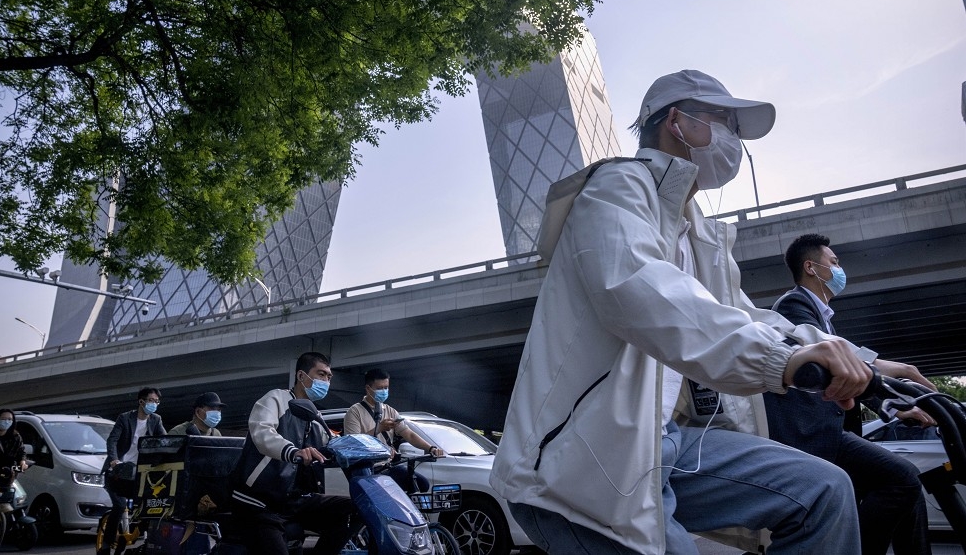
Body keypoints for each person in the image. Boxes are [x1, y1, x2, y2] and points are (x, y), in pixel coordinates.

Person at [490, 69, 899, 555]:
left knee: (823, 491)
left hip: (670, 443)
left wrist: (865, 361)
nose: (735, 140)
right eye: (724, 120)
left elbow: (747, 318)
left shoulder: (701, 232)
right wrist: (777, 362)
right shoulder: (617, 188)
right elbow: (639, 290)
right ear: (678, 121)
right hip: (583, 459)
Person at [763, 233, 936, 555]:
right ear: (811, 267)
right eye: (834, 262)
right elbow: (829, 358)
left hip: (828, 431)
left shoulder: (825, 320)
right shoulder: (793, 305)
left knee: (908, 488)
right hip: (810, 433)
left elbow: (850, 377)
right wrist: (897, 368)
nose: (840, 268)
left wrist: (896, 408)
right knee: (902, 479)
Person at [232, 351, 355, 555]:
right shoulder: (275, 399)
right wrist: (295, 452)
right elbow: (263, 432)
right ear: (301, 376)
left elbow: (331, 445)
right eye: (321, 374)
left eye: (329, 377)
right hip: (260, 501)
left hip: (294, 500)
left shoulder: (314, 415)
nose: (326, 380)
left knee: (356, 508)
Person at [343, 368, 445, 491]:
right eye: (380, 388)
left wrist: (430, 448)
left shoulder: (390, 411)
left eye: (386, 387)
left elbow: (409, 434)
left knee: (421, 484)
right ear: (368, 388)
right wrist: (379, 428)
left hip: (389, 466)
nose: (384, 391)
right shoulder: (355, 411)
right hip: (367, 469)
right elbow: (353, 444)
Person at [98, 387, 165, 555]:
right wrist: (114, 460)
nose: (154, 404)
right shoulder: (125, 418)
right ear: (141, 401)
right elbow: (112, 440)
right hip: (118, 472)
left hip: (139, 473)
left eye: (157, 402)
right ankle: (106, 545)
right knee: (119, 506)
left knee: (147, 507)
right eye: (151, 401)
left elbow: (164, 440)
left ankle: (133, 537)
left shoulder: (156, 420)